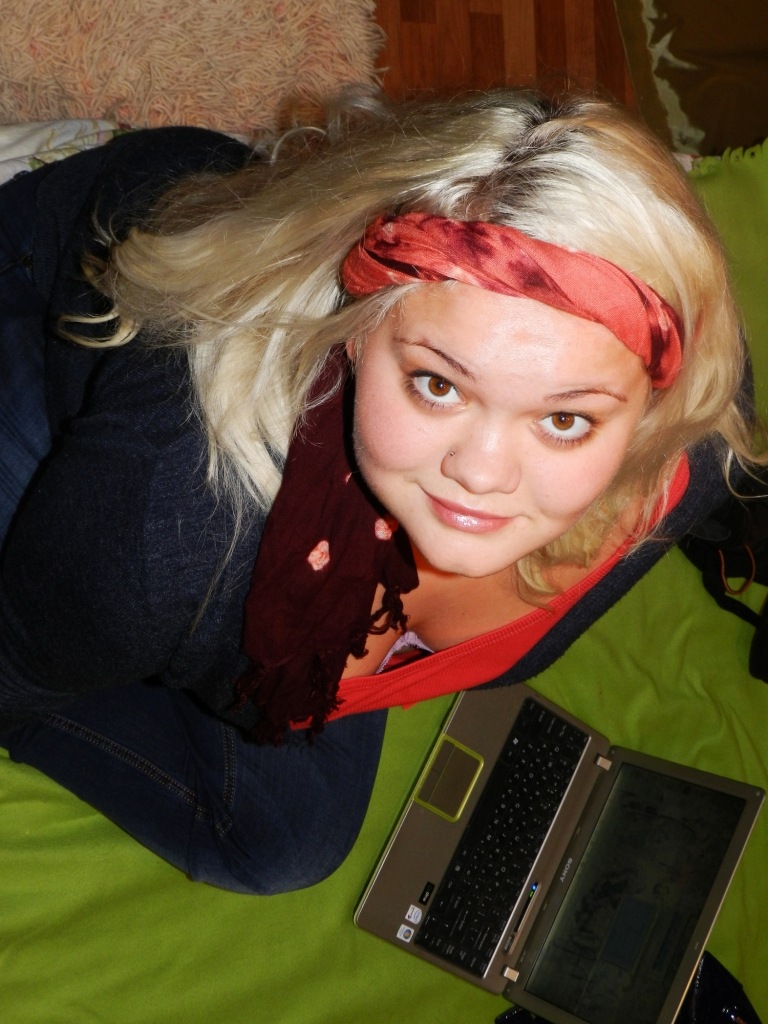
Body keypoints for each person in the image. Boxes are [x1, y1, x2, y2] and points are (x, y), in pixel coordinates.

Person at [0, 88, 757, 894]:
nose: (482, 475)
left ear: (653, 410)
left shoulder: (693, 450)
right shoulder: (166, 533)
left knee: (285, 844)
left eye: (565, 419)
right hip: (63, 296)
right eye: (438, 384)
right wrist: (102, 621)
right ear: (357, 331)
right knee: (96, 614)